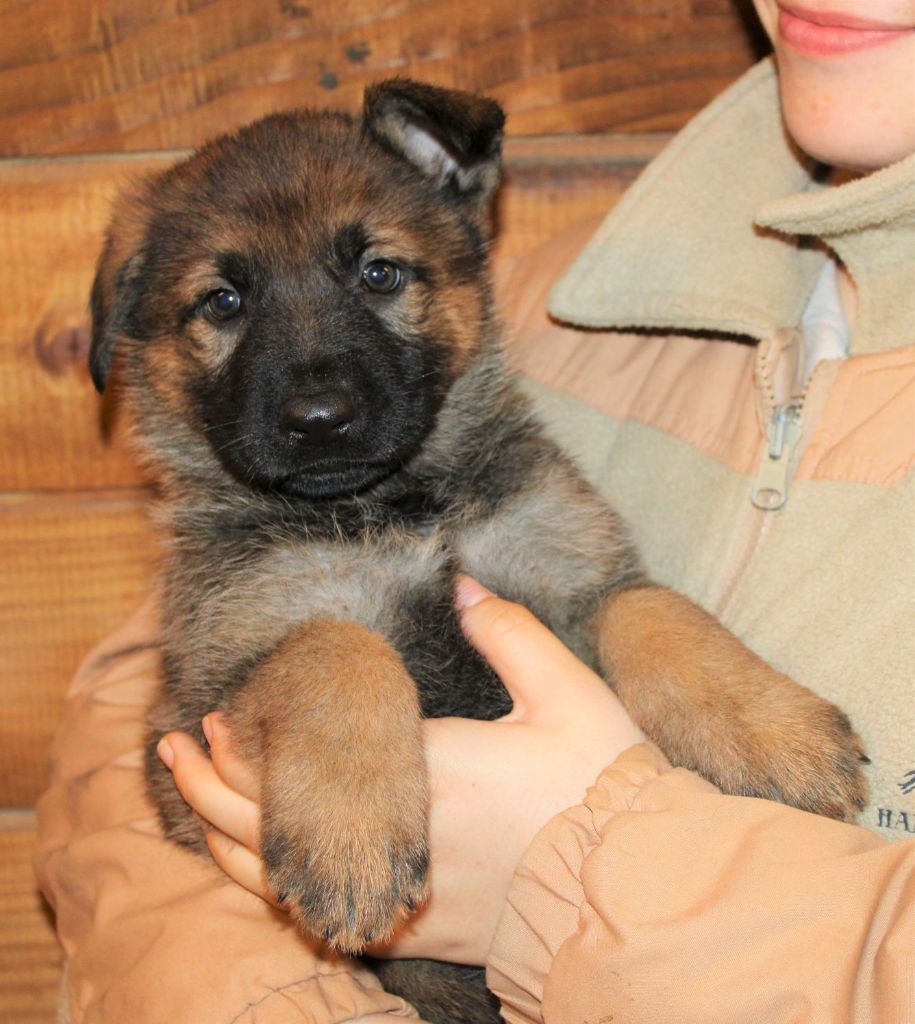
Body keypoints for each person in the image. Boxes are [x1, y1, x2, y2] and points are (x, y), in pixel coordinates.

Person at [35, 1, 915, 1021]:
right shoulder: (574, 294)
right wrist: (331, 687)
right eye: (223, 306)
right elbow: (159, 755)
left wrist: (590, 841)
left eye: (379, 276)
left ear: (458, 194)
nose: (314, 395)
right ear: (134, 339)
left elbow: (605, 596)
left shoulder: (519, 439)